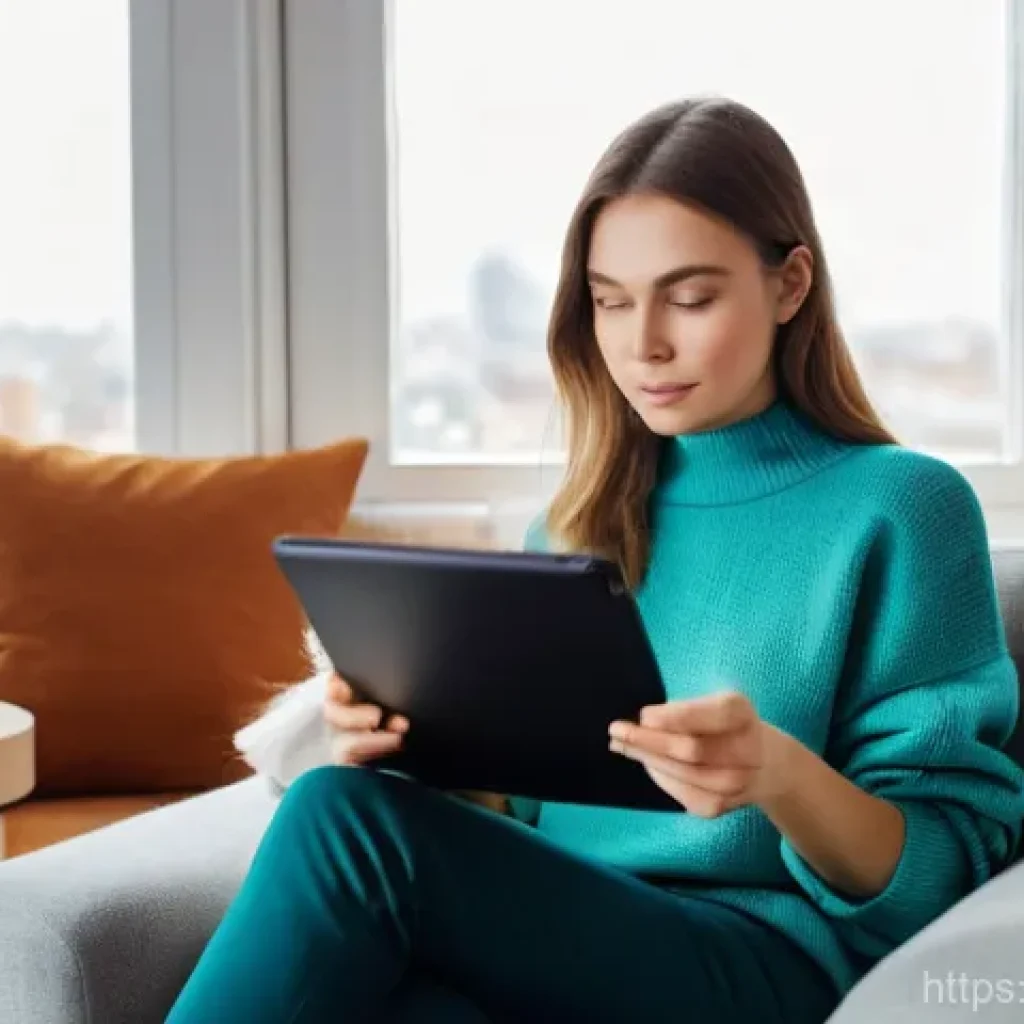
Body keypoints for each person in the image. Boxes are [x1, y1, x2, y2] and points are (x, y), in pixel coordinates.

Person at [166, 96, 1024, 1023]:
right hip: (574, 955)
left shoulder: (900, 508)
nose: (643, 343)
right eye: (611, 302)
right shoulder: (573, 528)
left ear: (790, 285)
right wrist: (414, 752)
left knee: (341, 818)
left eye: (690, 298)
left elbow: (946, 866)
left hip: (761, 965)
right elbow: (526, 827)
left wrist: (776, 773)